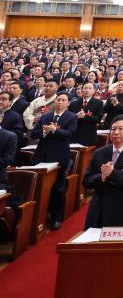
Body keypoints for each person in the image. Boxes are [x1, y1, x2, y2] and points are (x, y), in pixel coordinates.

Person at [83, 117, 123, 228]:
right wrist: (102, 176)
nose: (116, 132)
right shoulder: (99, 152)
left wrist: (112, 173)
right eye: (113, 129)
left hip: (122, 208)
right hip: (99, 208)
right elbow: (86, 181)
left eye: (120, 128)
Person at [31, 92, 78, 230]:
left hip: (59, 156)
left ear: (68, 103)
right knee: (39, 187)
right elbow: (34, 133)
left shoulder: (71, 117)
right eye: (58, 99)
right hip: (42, 155)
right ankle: (37, 218)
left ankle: (56, 217)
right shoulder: (46, 116)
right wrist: (45, 132)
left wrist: (54, 130)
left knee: (58, 188)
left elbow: (69, 134)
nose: (59, 102)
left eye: (63, 100)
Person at [69, 81, 104, 146]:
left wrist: (85, 116)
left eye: (90, 88)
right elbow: (69, 118)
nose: (87, 90)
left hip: (89, 136)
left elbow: (98, 119)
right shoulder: (73, 103)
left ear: (94, 91)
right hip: (75, 135)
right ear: (82, 90)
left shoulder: (98, 103)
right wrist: (76, 116)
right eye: (85, 88)